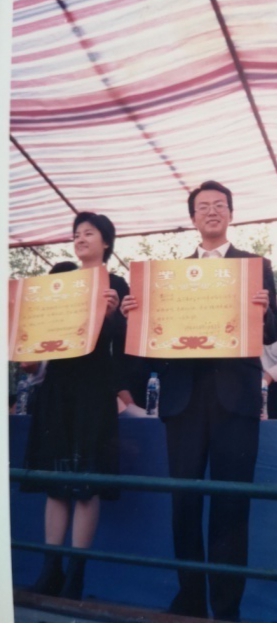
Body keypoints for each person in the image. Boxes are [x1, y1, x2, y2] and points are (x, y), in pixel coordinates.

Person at [121, 181, 277, 621]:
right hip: (183, 400)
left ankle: (227, 608)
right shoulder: (169, 277)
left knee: (232, 503)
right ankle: (190, 601)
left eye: (219, 205)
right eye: (203, 206)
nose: (212, 211)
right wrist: (136, 316)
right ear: (193, 218)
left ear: (231, 213)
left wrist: (264, 309)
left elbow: (274, 333)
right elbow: (150, 347)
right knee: (185, 501)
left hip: (237, 401)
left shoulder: (255, 266)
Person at [24, 213, 129, 600]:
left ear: (106, 242)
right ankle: (50, 569)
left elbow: (124, 340)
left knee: (87, 484)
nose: (80, 238)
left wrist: (112, 314)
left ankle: (76, 575)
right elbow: (36, 328)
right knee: (56, 484)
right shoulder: (59, 278)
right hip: (57, 386)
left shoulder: (117, 284)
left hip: (95, 388)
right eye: (76, 234)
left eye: (89, 233)